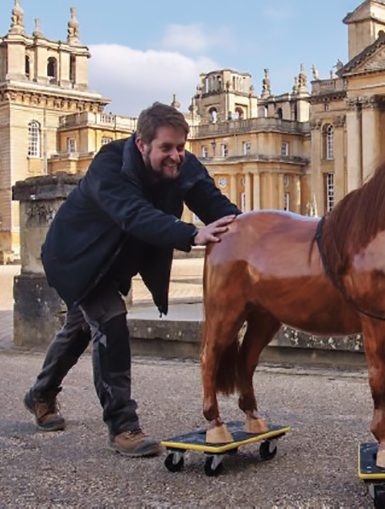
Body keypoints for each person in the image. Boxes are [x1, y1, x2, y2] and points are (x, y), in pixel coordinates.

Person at [23, 102, 240, 457]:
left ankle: (40, 393)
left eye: (181, 147)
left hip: (114, 261)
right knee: (110, 322)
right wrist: (191, 234)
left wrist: (255, 230)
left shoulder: (183, 165)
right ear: (141, 143)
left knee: (80, 328)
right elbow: (134, 214)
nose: (176, 156)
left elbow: (216, 205)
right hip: (76, 258)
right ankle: (123, 426)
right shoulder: (109, 165)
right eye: (166, 148)